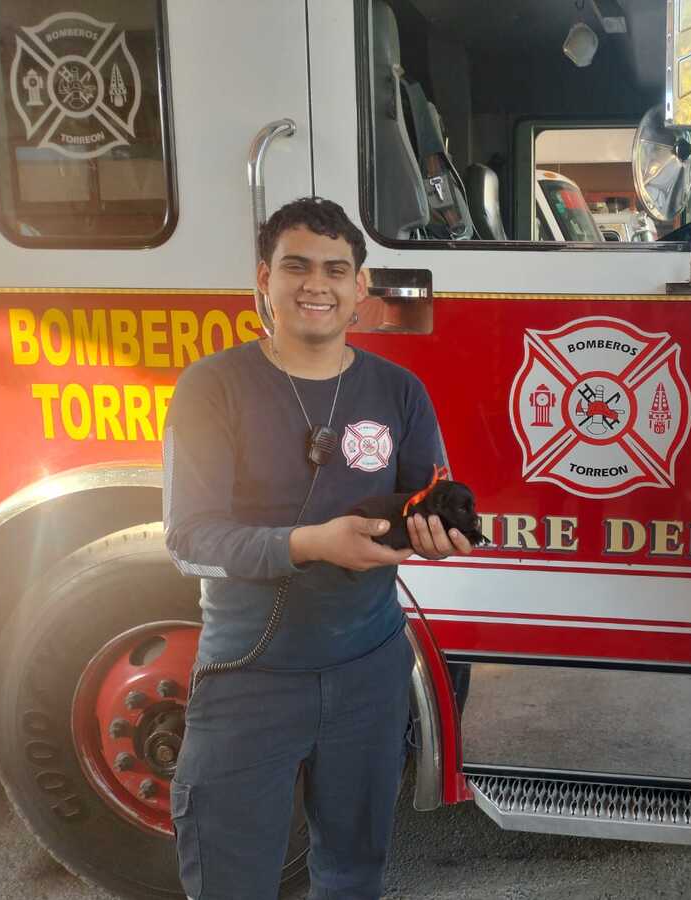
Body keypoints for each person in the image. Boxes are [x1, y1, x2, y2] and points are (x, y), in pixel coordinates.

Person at [163, 197, 474, 899]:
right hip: (249, 674)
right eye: (296, 266)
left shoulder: (399, 391)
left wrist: (437, 541)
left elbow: (424, 505)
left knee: (354, 875)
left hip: (369, 671)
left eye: (337, 270)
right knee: (231, 881)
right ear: (263, 279)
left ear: (360, 288)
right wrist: (311, 544)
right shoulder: (212, 387)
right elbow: (189, 541)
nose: (317, 284)